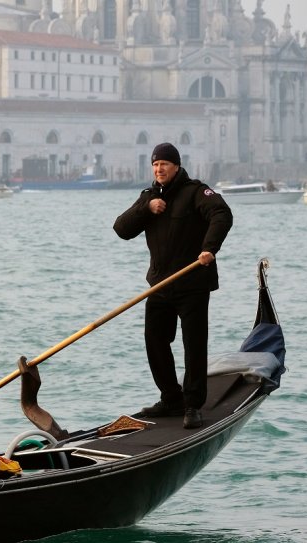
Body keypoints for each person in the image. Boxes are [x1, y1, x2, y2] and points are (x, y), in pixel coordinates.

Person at [113, 142, 233, 429]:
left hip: (193, 283)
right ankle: (171, 398)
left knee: (193, 345)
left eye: (164, 164)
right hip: (160, 286)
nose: (159, 169)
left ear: (176, 166)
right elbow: (121, 229)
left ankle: (193, 405)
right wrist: (146, 208)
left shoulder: (195, 191)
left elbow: (222, 214)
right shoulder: (149, 197)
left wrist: (210, 248)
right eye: (155, 165)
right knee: (155, 341)